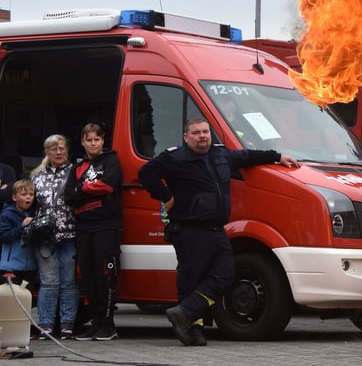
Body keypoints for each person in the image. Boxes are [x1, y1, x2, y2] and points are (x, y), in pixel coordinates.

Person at [138, 117, 299, 346]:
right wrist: (166, 196)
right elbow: (146, 174)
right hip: (189, 229)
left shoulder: (221, 155)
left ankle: (186, 312)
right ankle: (192, 330)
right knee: (192, 280)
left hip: (216, 229)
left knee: (225, 275)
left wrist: (277, 157)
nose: (202, 136)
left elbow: (248, 157)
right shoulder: (175, 158)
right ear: (186, 137)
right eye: (196, 133)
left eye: (205, 131)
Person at [63, 123, 123, 341]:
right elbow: (69, 196)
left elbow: (108, 186)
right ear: (82, 142)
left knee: (105, 274)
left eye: (96, 139)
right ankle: (95, 323)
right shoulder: (77, 168)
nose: (93, 143)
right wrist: (89, 189)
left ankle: (108, 324)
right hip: (84, 227)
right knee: (87, 276)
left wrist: (84, 189)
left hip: (107, 225)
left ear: (102, 140)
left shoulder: (111, 160)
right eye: (89, 140)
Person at [31, 134, 78, 339]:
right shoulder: (36, 175)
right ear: (47, 152)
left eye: (61, 148)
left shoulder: (76, 172)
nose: (58, 152)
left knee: (68, 282)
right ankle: (46, 326)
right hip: (44, 237)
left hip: (70, 233)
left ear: (67, 150)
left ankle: (67, 325)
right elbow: (28, 203)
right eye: (53, 149)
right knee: (48, 282)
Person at [0, 178, 39, 289]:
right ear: (14, 197)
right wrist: (22, 226)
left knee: (27, 298)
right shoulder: (7, 215)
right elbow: (4, 236)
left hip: (30, 267)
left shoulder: (35, 214)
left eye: (31, 194)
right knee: (11, 300)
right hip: (10, 267)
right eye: (23, 194)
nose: (28, 197)